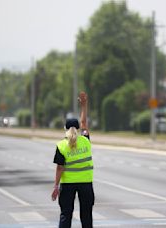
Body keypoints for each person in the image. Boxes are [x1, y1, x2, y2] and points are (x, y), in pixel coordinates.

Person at [51, 91, 94, 228]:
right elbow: (84, 122)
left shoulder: (62, 145)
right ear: (79, 128)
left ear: (65, 129)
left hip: (68, 184)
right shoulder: (85, 140)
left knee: (66, 214)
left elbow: (60, 168)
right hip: (86, 183)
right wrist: (84, 105)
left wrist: (56, 186)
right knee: (86, 216)